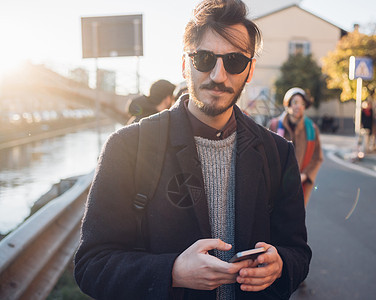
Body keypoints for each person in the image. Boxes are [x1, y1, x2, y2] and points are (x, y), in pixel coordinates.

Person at [74, 1, 311, 299]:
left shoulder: (278, 153)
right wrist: (171, 272)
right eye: (204, 58)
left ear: (249, 71)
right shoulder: (127, 147)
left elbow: (298, 253)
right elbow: (92, 265)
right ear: (185, 64)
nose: (218, 75)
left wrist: (280, 265)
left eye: (235, 61)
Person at [268, 88, 323, 206]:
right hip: (277, 184)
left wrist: (305, 175)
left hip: (300, 183)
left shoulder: (312, 129)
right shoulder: (275, 125)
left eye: (302, 104)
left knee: (295, 219)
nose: (299, 106)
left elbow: (317, 157)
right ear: (288, 104)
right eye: (295, 102)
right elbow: (266, 154)